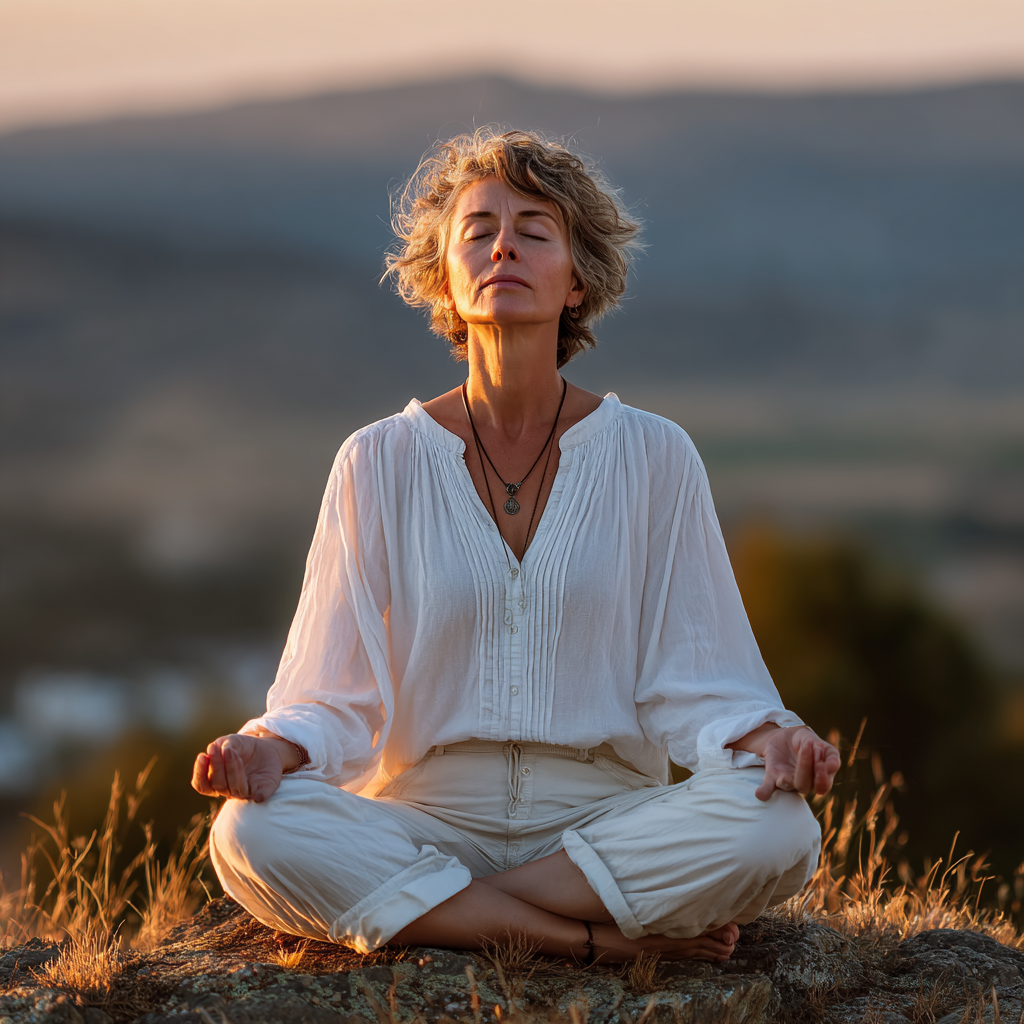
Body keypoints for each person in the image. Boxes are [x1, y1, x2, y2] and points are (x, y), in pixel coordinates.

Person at [192, 128, 841, 965]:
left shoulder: (656, 455)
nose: (504, 246)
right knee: (251, 830)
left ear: (577, 280)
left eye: (534, 231)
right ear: (446, 277)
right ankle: (591, 942)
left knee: (778, 829)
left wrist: (769, 739)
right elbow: (331, 693)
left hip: (604, 822)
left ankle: (450, 911)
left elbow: (701, 677)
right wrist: (266, 748)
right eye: (479, 231)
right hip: (426, 817)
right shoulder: (377, 460)